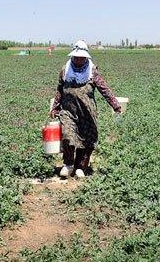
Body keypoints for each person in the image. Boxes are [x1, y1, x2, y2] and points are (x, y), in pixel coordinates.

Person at [50, 40, 122, 178]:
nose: (79, 59)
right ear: (72, 56)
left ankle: (80, 167)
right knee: (67, 136)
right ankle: (68, 164)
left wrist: (115, 104)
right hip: (68, 111)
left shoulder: (92, 72)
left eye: (81, 57)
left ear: (86, 57)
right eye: (76, 57)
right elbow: (60, 89)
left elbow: (104, 89)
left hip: (87, 112)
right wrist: (55, 107)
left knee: (87, 140)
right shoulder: (65, 71)